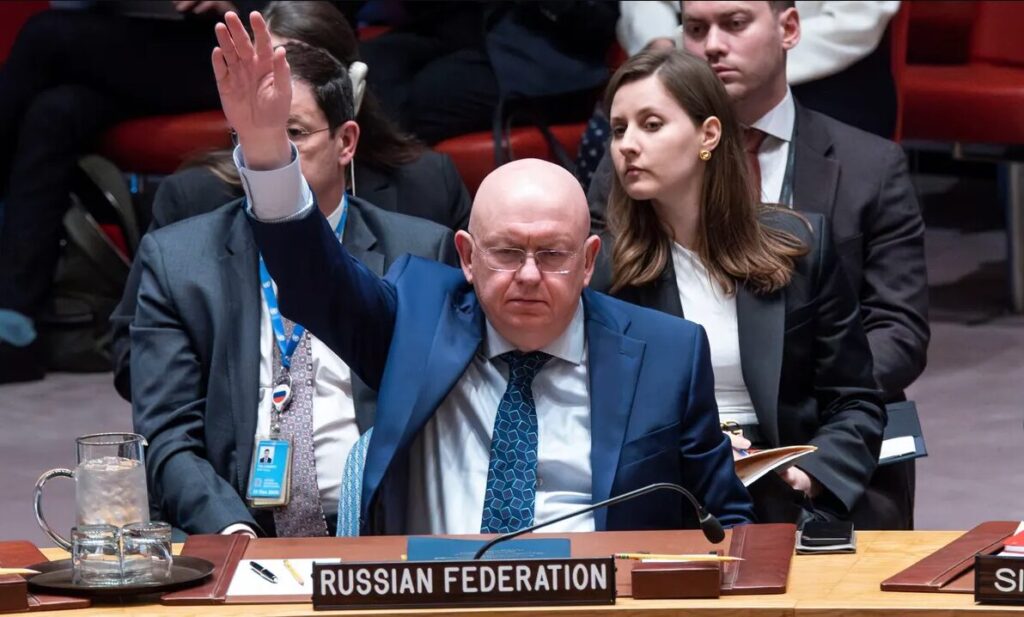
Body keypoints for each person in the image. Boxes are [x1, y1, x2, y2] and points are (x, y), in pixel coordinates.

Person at [214, 11, 755, 534]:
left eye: (551, 254)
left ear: (589, 261)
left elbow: (726, 524)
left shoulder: (668, 355)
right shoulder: (417, 324)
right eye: (504, 253)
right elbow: (314, 281)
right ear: (466, 256)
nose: (526, 275)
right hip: (437, 596)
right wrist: (265, 151)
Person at [589, 0, 927, 529]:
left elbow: (896, 333)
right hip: (675, 462)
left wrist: (793, 402)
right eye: (696, 29)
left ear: (789, 28)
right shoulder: (619, 218)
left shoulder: (861, 178)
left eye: (735, 23)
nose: (713, 45)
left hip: (805, 430)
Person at [127, 39, 456, 537]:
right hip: (236, 525)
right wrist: (234, 536)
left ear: (346, 142)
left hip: (374, 529)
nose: (273, 151)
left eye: (294, 133)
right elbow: (168, 435)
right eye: (256, 136)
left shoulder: (417, 252)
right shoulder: (178, 261)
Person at [0, 1, 267, 384]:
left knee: (45, 36)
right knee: (53, 114)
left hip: (233, 42)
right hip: (138, 39)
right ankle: (15, 324)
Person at [146, 1, 472, 236]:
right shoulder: (193, 198)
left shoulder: (430, 187)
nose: (280, 96)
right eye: (267, 76)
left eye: (305, 74)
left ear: (352, 91)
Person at [358, 1, 619, 144]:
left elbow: (598, 19)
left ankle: (402, 209)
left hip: (543, 60)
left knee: (418, 98)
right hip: (464, 28)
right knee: (366, 64)